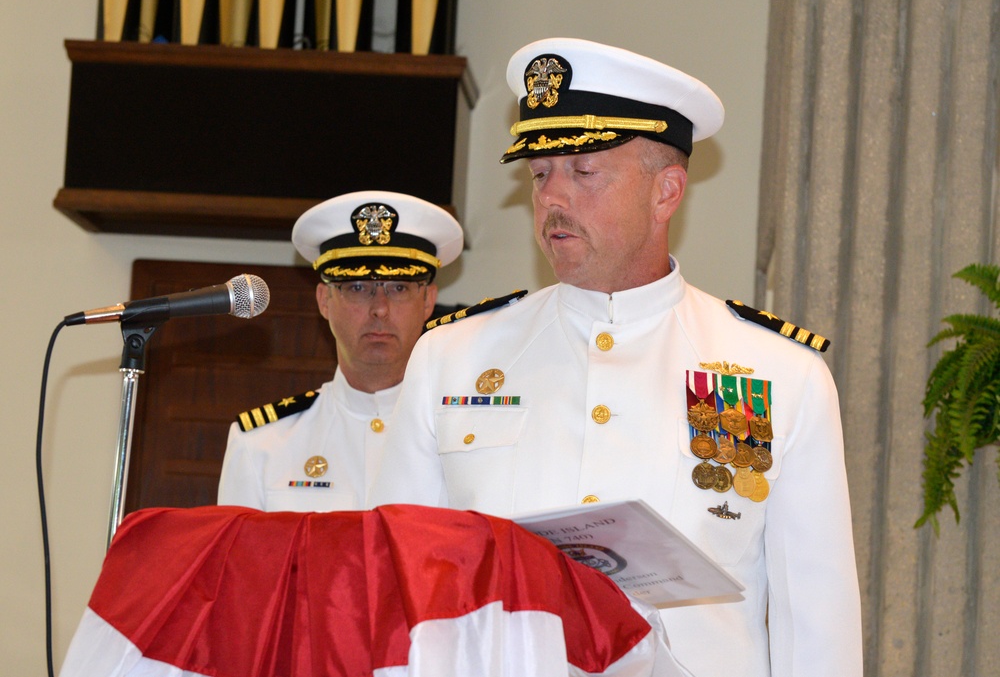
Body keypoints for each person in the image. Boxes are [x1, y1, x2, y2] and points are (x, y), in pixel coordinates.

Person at [370, 39, 863, 677]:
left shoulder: (779, 373)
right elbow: (394, 587)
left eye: (584, 171)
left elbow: (816, 623)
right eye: (540, 173)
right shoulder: (451, 357)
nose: (552, 198)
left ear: (666, 192)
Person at [218, 190, 463, 512]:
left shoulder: (464, 436)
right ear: (324, 300)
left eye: (399, 288)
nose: (380, 308)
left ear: (428, 300)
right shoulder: (262, 442)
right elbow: (240, 561)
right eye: (357, 288)